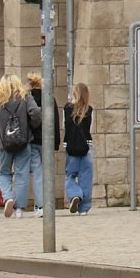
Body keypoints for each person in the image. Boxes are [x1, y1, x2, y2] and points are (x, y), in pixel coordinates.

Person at [0, 74, 41, 219]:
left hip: (4, 144)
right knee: (21, 174)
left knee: (4, 173)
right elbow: (35, 112)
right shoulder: (26, 98)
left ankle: (8, 197)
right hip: (23, 142)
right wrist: (32, 125)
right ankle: (19, 209)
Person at [26, 72, 61, 217]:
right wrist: (56, 142)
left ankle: (40, 205)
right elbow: (55, 121)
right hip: (47, 141)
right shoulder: (50, 98)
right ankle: (47, 204)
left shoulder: (28, 99)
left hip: (33, 140)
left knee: (37, 173)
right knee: (48, 173)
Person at [63, 82, 94, 215]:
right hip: (86, 146)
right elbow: (90, 129)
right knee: (86, 177)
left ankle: (75, 194)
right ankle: (84, 209)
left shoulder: (67, 108)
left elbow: (65, 127)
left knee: (70, 175)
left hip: (71, 145)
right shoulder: (90, 109)